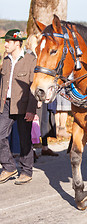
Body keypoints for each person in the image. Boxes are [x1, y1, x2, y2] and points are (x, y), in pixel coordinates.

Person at [0, 29, 37, 185]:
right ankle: (9, 167)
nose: (5, 44)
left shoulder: (31, 60)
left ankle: (26, 171)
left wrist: (31, 109)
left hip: (23, 105)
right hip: (6, 104)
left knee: (24, 139)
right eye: (5, 41)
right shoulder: (6, 60)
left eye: (8, 41)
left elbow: (33, 87)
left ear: (17, 43)